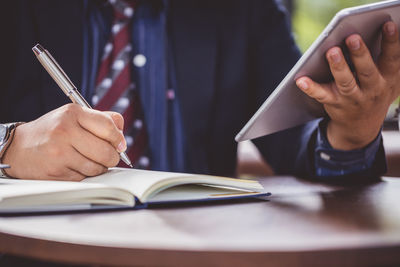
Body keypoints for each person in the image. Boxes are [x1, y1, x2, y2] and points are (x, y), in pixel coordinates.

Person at [0, 0, 397, 181]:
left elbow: (295, 140)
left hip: (194, 250)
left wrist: (353, 133)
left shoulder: (245, 10)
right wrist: (8, 146)